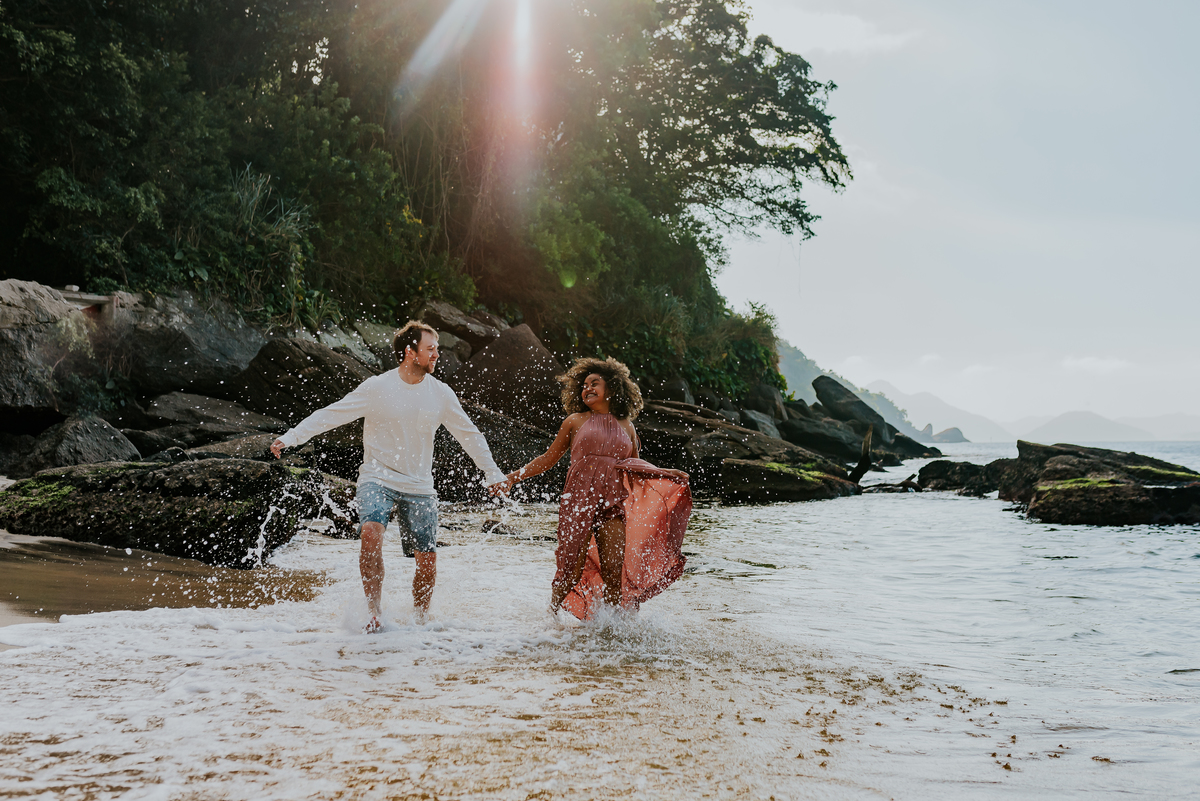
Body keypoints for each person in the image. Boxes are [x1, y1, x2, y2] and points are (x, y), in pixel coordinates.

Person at [270, 321, 507, 631]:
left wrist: (492, 472)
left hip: (419, 485)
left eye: (437, 349)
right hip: (376, 477)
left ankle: (420, 623)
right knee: (370, 533)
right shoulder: (377, 388)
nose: (437, 355)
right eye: (431, 349)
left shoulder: (441, 394)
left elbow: (470, 435)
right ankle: (373, 613)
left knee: (427, 559)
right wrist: (291, 438)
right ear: (410, 352)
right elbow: (333, 413)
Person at [499, 357, 692, 619]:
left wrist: (664, 472)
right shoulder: (575, 421)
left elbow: (634, 464)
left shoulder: (627, 426)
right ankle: (551, 619)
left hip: (613, 503)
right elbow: (548, 458)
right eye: (584, 385)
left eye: (595, 383)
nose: (587, 388)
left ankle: (612, 628)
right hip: (578, 502)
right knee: (570, 570)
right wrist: (513, 477)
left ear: (612, 388)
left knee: (614, 569)